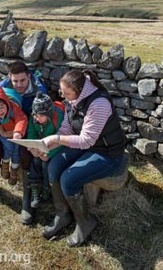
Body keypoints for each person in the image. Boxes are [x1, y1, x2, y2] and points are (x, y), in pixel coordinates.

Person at [41, 69, 126, 247]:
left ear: (79, 91)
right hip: (86, 145)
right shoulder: (72, 100)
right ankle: (63, 215)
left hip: (108, 153)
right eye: (61, 92)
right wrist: (47, 147)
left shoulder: (99, 103)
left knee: (68, 179)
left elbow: (86, 140)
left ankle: (85, 222)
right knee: (53, 167)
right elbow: (67, 129)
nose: (63, 96)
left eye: (66, 93)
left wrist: (56, 139)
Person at [0, 61, 47, 224]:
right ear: (9, 78)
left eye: (23, 80)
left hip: (29, 128)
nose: (19, 85)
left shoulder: (39, 91)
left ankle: (26, 200)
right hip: (7, 128)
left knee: (24, 154)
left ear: (29, 76)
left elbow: (39, 120)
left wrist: (21, 133)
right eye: (15, 81)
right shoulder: (2, 88)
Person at [27, 91, 64, 208]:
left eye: (41, 116)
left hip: (55, 148)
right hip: (41, 146)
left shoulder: (58, 118)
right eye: (35, 115)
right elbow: (31, 132)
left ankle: (47, 189)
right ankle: (35, 190)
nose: (37, 118)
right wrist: (33, 147)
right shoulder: (34, 118)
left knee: (46, 164)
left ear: (49, 114)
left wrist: (50, 153)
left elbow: (63, 139)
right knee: (35, 161)